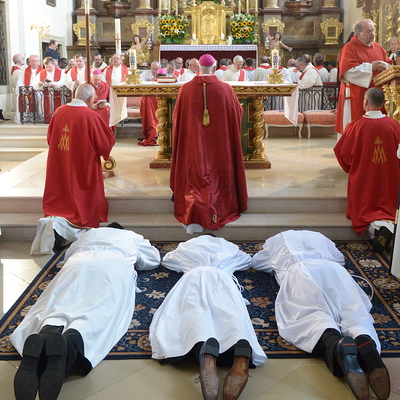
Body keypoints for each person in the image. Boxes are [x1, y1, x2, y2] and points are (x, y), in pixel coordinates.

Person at [11, 225, 161, 400]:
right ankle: (69, 344)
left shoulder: (88, 234)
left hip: (78, 264)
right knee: (98, 311)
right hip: (113, 265)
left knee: (61, 302)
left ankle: (46, 333)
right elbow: (152, 260)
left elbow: (68, 255)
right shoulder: (132, 235)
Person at [252, 230, 390, 400]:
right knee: (353, 312)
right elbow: (340, 259)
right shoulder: (320, 236)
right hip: (334, 271)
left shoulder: (277, 239)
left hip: (301, 271)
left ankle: (336, 345)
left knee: (311, 315)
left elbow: (258, 263)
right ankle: (364, 339)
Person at [149, 235, 267, 400]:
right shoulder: (229, 248)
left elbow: (169, 260)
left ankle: (206, 355)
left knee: (194, 313)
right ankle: (240, 349)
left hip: (193, 278)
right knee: (231, 313)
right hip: (223, 279)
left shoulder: (187, 247)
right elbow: (247, 261)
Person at [170, 54, 247, 233]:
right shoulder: (226, 89)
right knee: (219, 168)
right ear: (215, 67)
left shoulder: (185, 89)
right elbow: (237, 112)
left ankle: (194, 204)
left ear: (198, 68)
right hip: (220, 144)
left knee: (195, 168)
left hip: (193, 143)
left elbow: (177, 118)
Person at [334, 87, 400, 253]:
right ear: (383, 103)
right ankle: (387, 228)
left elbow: (343, 154)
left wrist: (351, 167)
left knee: (363, 211)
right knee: (387, 209)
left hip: (363, 179)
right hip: (388, 179)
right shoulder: (394, 125)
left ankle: (379, 230)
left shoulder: (355, 126)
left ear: (365, 102)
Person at [42, 83, 115, 229]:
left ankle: (60, 211)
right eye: (94, 98)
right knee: (79, 186)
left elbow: (50, 139)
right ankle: (81, 211)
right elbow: (104, 144)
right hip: (83, 162)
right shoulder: (91, 116)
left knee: (62, 182)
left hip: (60, 160)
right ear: (90, 99)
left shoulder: (59, 112)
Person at [335, 19, 391, 134]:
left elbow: (389, 64)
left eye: (373, 30)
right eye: (369, 31)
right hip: (358, 93)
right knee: (357, 127)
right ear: (358, 33)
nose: (372, 34)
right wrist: (371, 67)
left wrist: (384, 65)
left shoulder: (377, 47)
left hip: (379, 93)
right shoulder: (349, 47)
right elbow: (348, 72)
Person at [139, 61, 160, 146]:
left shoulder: (162, 75)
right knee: (150, 117)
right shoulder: (144, 74)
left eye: (157, 69)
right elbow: (140, 86)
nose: (155, 71)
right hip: (147, 99)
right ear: (150, 68)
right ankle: (151, 134)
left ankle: (159, 134)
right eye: (154, 69)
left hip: (158, 100)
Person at [0, 54, 25, 121]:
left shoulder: (17, 69)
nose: (24, 59)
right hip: (18, 91)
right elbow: (18, 83)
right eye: (22, 58)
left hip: (17, 91)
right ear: (19, 60)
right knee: (18, 111)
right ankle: (3, 114)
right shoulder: (18, 71)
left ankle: (3, 114)